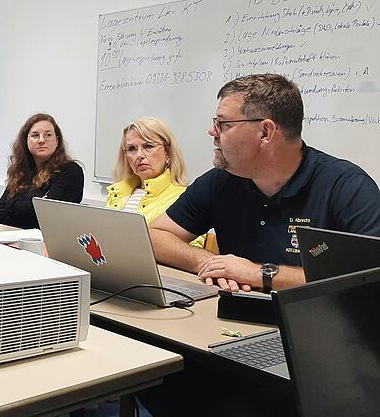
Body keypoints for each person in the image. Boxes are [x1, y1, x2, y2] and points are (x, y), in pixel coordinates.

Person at [149, 73, 380, 293]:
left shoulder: (347, 187)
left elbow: (368, 275)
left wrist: (260, 273)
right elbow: (155, 236)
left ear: (265, 132)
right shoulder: (220, 181)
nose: (212, 132)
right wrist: (212, 263)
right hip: (233, 319)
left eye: (224, 124)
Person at [106, 117, 205, 248]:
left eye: (148, 146)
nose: (139, 155)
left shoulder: (186, 197)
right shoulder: (117, 192)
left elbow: (192, 251)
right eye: (131, 149)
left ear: (168, 153)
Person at [0, 113, 84, 229]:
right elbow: (0, 215)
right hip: (14, 239)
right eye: (35, 135)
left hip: (49, 243)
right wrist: (29, 207)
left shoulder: (70, 171)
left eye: (48, 135)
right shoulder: (21, 171)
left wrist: (11, 204)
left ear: (57, 141)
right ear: (26, 141)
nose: (41, 140)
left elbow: (45, 214)